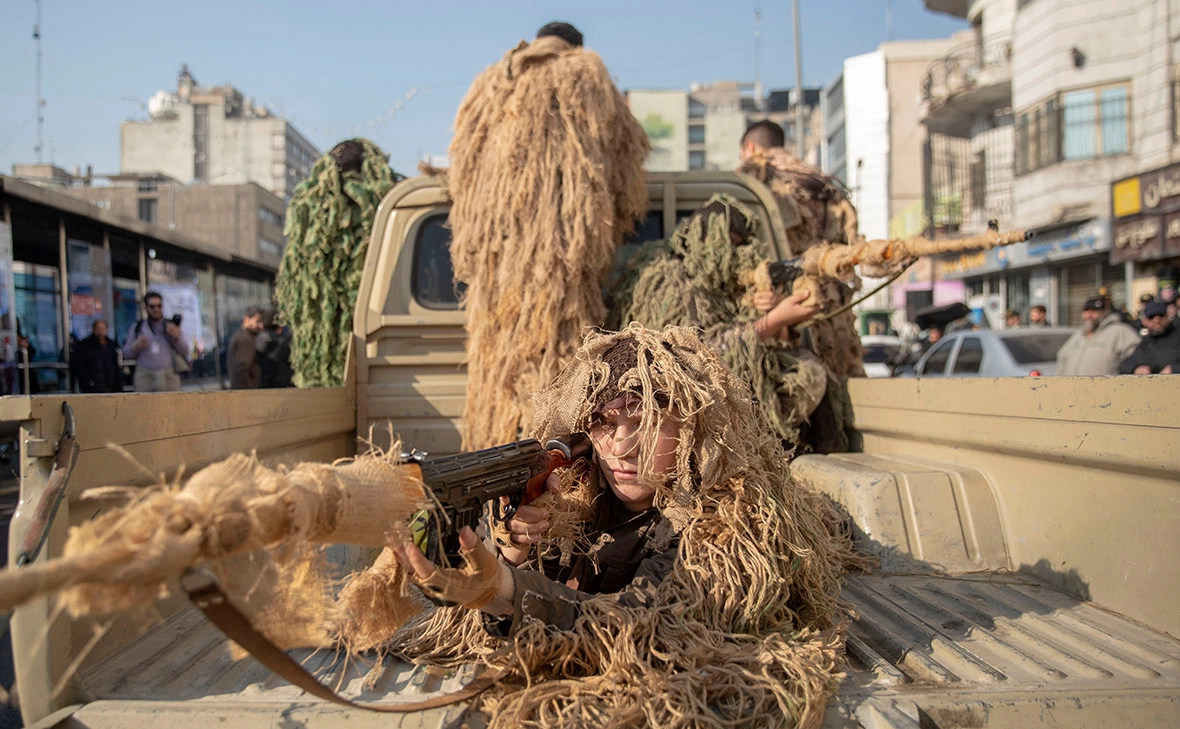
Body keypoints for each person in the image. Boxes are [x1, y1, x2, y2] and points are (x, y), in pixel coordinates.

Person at [390, 325, 853, 727]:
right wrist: (511, 553)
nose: (623, 447)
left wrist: (507, 587)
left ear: (691, 428)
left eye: (649, 421)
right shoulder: (570, 493)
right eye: (606, 422)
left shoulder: (724, 522)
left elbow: (647, 629)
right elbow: (480, 627)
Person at [610, 194, 855, 454]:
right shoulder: (672, 282)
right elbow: (694, 356)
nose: (739, 255)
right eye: (731, 245)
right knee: (808, 375)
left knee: (806, 367)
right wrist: (772, 320)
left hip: (716, 402)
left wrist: (770, 310)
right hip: (680, 409)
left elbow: (763, 347)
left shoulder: (719, 285)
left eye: (742, 245)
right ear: (706, 240)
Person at [736, 120, 864, 380]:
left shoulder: (751, 179)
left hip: (778, 309)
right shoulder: (821, 181)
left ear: (749, 147)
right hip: (831, 308)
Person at [123, 291, 189, 392]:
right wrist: (135, 347)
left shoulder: (170, 326)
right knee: (144, 406)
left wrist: (176, 338)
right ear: (146, 308)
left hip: (168, 375)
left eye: (159, 306)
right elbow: (125, 354)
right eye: (152, 306)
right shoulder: (138, 327)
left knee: (173, 406)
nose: (156, 309)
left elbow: (186, 351)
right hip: (145, 375)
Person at [1056, 297, 1141, 376]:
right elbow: (1061, 359)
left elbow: (1138, 356)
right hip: (1072, 389)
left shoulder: (1118, 331)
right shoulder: (1077, 335)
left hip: (1106, 389)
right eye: (1086, 310)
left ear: (1104, 312)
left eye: (1094, 311)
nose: (1089, 314)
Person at [1119, 301, 1180, 374]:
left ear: (1167, 317)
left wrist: (1174, 369)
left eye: (1161, 316)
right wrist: (1136, 369)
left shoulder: (1177, 337)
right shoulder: (1145, 343)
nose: (1157, 320)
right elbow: (1126, 365)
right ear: (1144, 321)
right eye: (1151, 317)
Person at [72, 320, 121, 393]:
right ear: (93, 330)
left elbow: (116, 365)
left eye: (103, 329)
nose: (100, 332)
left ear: (107, 330)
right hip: (92, 387)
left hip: (110, 386)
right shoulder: (85, 345)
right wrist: (88, 382)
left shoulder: (112, 345)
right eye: (98, 329)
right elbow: (78, 365)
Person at [227, 307, 265, 389]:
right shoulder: (245, 340)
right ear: (247, 320)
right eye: (257, 321)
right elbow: (242, 369)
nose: (260, 326)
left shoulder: (242, 336)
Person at [255, 310, 294, 388]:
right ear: (280, 327)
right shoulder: (285, 344)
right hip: (283, 387)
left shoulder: (255, 342)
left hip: (261, 387)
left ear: (261, 325)